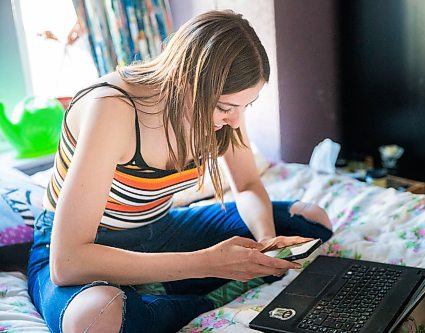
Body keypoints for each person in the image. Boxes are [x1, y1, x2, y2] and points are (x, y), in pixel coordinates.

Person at [27, 10, 333, 333]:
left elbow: (245, 185)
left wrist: (266, 242)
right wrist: (208, 263)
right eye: (226, 108)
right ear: (186, 82)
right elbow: (68, 262)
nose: (236, 121)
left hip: (156, 229)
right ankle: (197, 305)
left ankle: (150, 298)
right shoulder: (114, 109)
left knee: (310, 221)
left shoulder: (222, 117)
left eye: (247, 106)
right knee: (93, 318)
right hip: (78, 250)